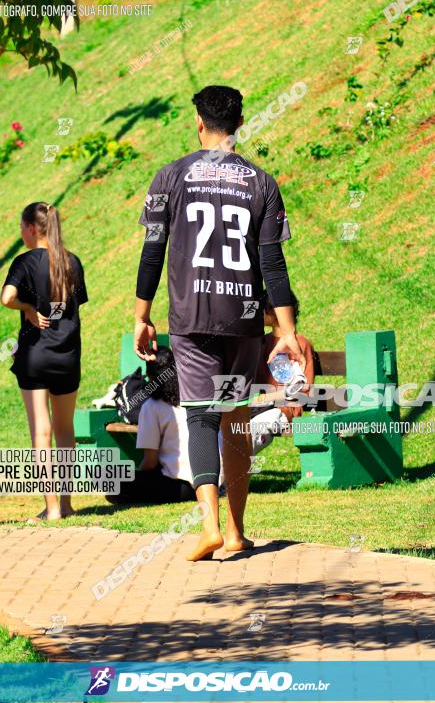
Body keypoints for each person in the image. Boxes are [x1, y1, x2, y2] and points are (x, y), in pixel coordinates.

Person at [134, 84, 303, 561]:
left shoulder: (170, 177)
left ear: (199, 123)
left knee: (200, 417)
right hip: (243, 318)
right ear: (240, 124)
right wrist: (286, 332)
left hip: (192, 318)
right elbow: (274, 263)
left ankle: (208, 525)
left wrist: (141, 315)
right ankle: (235, 531)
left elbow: (153, 252)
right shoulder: (261, 183)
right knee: (234, 417)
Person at [0, 202, 88, 521]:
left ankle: (51, 509)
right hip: (67, 355)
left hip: (36, 354)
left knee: (41, 430)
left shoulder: (24, 261)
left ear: (33, 229)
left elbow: (7, 298)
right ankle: (65, 504)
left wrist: (26, 308)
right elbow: (75, 308)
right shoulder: (72, 262)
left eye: (22, 228)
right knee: (65, 430)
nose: (21, 233)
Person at [108, 348, 223, 504]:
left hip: (182, 486)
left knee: (111, 479)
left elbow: (150, 462)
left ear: (150, 378)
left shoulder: (152, 406)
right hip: (215, 480)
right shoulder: (195, 395)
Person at [249, 292, 315, 452]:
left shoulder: (300, 344)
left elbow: (302, 391)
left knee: (252, 431)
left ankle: (230, 474)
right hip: (257, 407)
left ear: (274, 311)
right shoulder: (260, 343)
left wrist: (264, 398)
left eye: (262, 308)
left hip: (285, 409)